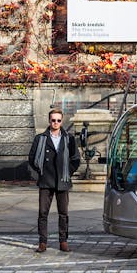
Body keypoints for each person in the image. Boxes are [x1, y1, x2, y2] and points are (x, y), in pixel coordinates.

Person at [28, 108, 81, 253]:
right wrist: (39, 174)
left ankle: (63, 241)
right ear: (49, 121)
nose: (56, 123)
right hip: (46, 180)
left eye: (58, 120)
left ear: (61, 121)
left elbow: (75, 159)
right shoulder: (40, 138)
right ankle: (42, 242)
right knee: (42, 213)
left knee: (63, 213)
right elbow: (31, 159)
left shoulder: (68, 138)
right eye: (53, 120)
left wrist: (67, 172)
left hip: (62, 180)